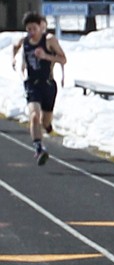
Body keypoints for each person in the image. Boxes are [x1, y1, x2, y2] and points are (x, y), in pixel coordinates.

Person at [11, 11, 67, 165]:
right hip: (32, 84)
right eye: (28, 29)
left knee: (45, 121)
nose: (32, 33)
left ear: (40, 27)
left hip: (48, 84)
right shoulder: (25, 41)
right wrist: (13, 60)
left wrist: (46, 56)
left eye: (34, 29)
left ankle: (48, 128)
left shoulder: (49, 40)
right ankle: (39, 148)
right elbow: (15, 46)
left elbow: (64, 59)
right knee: (34, 116)